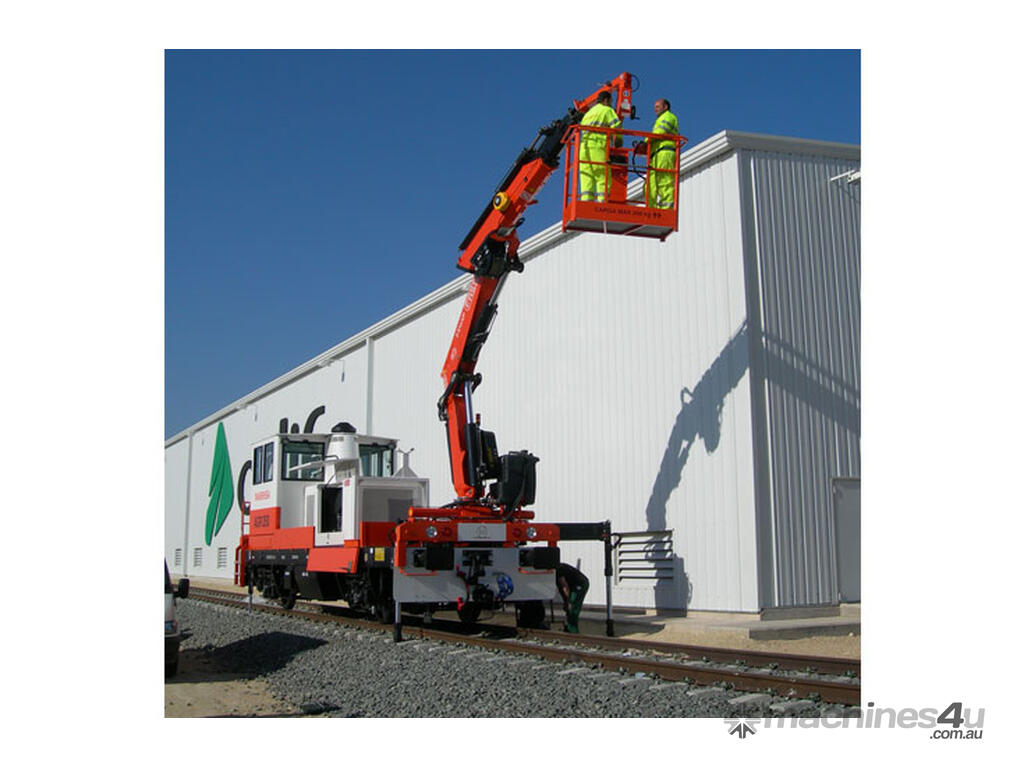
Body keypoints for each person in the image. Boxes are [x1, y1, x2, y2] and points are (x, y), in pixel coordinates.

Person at [578, 91, 622, 203]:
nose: (611, 104)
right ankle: (602, 203)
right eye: (611, 101)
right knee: (603, 175)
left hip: (583, 149)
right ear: (606, 100)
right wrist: (618, 139)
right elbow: (617, 126)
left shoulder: (588, 114)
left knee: (587, 177)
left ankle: (586, 203)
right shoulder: (606, 110)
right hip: (597, 147)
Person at [646, 98, 680, 209]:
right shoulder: (660, 119)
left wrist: (645, 142)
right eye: (654, 107)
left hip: (665, 152)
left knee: (664, 182)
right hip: (656, 155)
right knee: (650, 184)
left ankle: (666, 209)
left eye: (657, 106)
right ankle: (651, 209)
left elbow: (660, 132)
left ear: (665, 107)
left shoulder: (668, 117)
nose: (655, 109)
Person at [556, 562, 590, 633]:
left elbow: (564, 587)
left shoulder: (558, 570)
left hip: (579, 584)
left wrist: (568, 601)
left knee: (573, 607)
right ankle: (569, 626)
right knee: (570, 607)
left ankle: (572, 630)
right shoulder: (560, 567)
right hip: (574, 585)